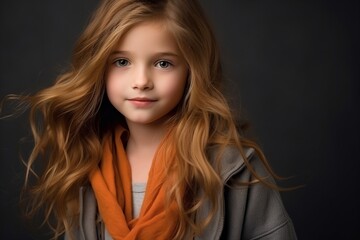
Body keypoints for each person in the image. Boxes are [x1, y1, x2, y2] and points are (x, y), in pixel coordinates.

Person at [17, 0, 297, 239]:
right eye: (122, 62)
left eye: (163, 63)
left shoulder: (234, 169)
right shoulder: (85, 164)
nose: (141, 82)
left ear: (192, 69)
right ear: (99, 66)